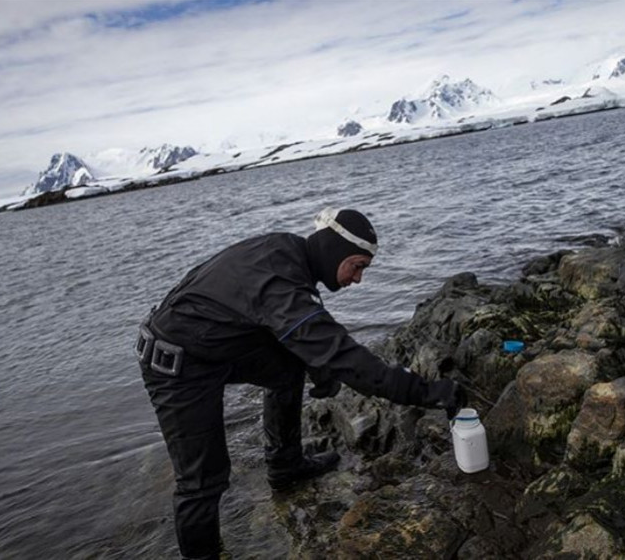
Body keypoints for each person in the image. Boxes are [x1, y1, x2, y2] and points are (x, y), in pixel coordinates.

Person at [136, 207, 467, 559]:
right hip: (178, 363)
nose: (358, 279)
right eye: (358, 266)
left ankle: (285, 466)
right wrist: (427, 392)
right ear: (335, 251)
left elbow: (296, 334)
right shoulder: (281, 281)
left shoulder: (288, 251)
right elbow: (346, 358)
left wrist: (317, 365)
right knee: (202, 480)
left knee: (287, 369)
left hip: (214, 341)